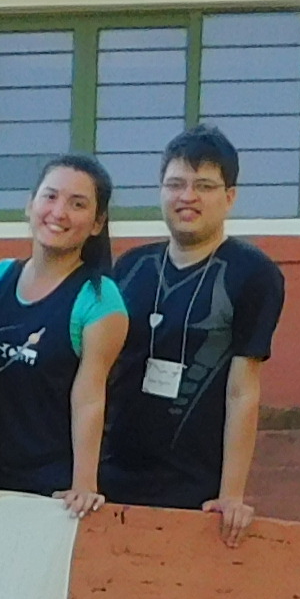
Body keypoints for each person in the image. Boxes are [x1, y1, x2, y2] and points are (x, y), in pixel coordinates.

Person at [95, 125, 284, 532]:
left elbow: (243, 389)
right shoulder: (130, 269)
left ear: (229, 197)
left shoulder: (253, 274)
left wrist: (231, 494)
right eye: (175, 184)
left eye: (204, 186)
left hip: (193, 486)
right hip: (111, 476)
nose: (187, 197)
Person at [0, 155, 132, 513]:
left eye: (78, 204)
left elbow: (89, 397)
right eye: (50, 197)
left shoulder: (100, 299)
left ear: (97, 223)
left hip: (47, 490)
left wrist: (83, 485)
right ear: (30, 204)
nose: (59, 212)